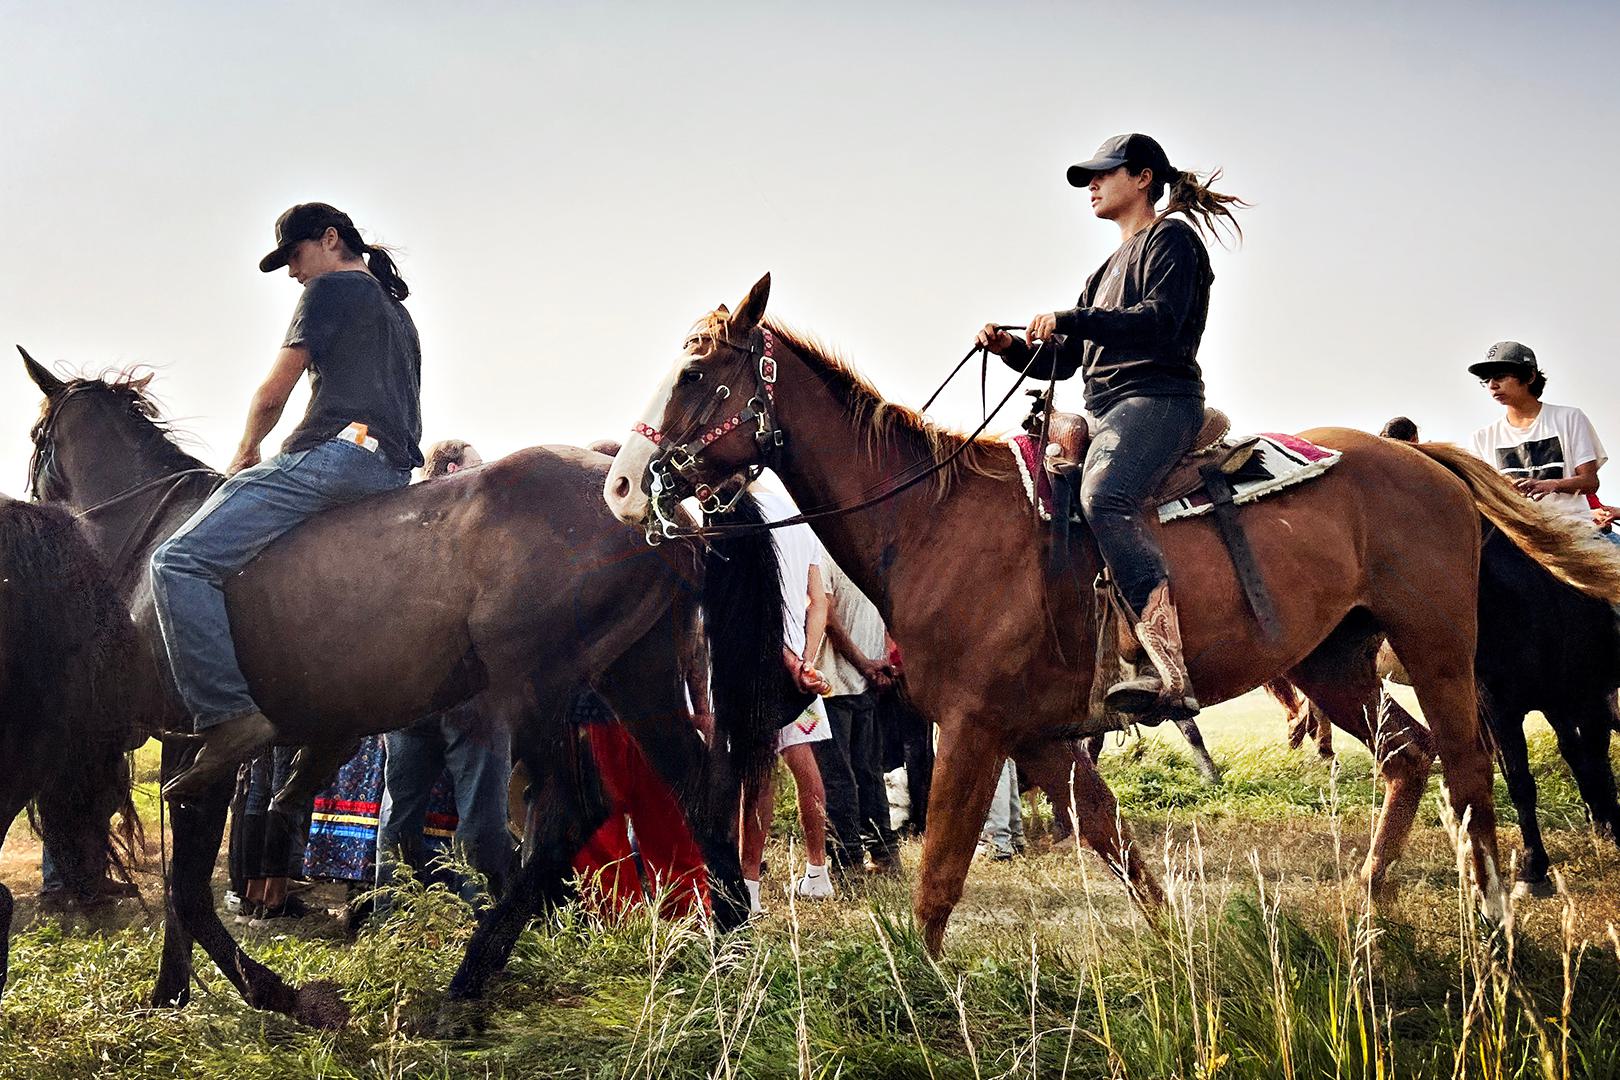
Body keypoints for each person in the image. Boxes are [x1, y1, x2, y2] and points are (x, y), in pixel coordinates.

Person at [151, 203, 423, 799]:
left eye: (295, 257)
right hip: (393, 471)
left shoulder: (331, 290)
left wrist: (246, 450)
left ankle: (228, 716)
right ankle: (332, 727)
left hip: (338, 457)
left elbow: (274, 391)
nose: (294, 274)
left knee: (176, 562)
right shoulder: (398, 313)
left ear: (329, 241)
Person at [978, 133, 1247, 720]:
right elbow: (1066, 361)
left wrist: (1072, 316)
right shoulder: (1102, 269)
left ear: (1144, 177)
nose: (1092, 186)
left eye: (1103, 174)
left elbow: (1158, 321)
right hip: (1103, 405)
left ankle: (1164, 667)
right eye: (1089, 179)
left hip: (1157, 398)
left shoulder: (1173, 239)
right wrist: (1009, 349)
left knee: (1107, 496)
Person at [376, 439, 512, 904]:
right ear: (455, 471)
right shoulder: (480, 532)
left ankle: (390, 914)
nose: (484, 472)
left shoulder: (395, 528)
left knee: (400, 810)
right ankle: (482, 915)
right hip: (467, 696)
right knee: (480, 813)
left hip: (405, 696)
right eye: (478, 465)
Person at [739, 481, 835, 913]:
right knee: (804, 766)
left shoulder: (742, 511)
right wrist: (807, 660)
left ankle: (750, 887)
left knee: (756, 773)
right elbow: (820, 601)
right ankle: (818, 873)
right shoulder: (797, 513)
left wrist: (786, 659)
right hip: (801, 668)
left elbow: (752, 601)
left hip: (761, 662)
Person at [813, 557, 901, 878]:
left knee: (840, 776)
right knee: (867, 772)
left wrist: (866, 664)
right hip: (865, 676)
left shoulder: (822, 552)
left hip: (835, 679)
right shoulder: (865, 550)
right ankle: (884, 854)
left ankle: (848, 862)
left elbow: (828, 618)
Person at [1467, 342, 1605, 527]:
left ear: (1530, 376)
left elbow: (1590, 482)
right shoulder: (1482, 438)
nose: (1492, 385)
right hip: (1518, 535)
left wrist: (1552, 484)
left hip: (1574, 528)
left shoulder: (1569, 417)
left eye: (1500, 376)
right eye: (1486, 380)